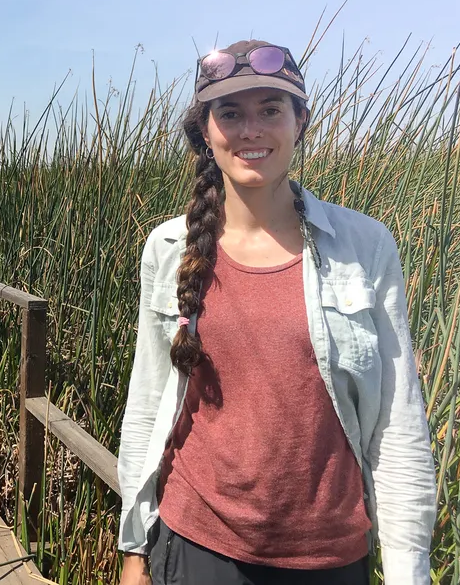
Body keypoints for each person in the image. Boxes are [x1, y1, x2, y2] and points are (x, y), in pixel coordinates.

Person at [116, 41, 436, 585]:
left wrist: (408, 572)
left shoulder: (365, 245)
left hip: (329, 558)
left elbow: (397, 424)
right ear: (205, 132)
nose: (251, 130)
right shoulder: (168, 249)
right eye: (231, 113)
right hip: (197, 546)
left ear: (301, 120)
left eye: (270, 109)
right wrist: (134, 548)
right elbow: (148, 401)